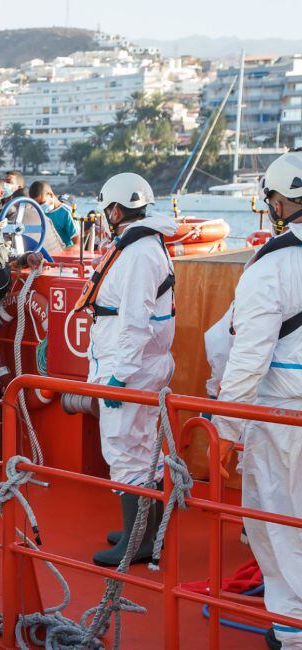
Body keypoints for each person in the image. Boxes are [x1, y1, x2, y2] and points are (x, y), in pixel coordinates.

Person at [211, 151, 302, 650]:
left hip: (282, 418)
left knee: (277, 523)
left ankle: (292, 634)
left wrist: (224, 432)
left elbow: (247, 359)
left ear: (280, 200)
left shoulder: (273, 266)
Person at [80, 172, 178, 567]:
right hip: (141, 362)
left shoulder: (138, 253)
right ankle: (145, 531)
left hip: (132, 367)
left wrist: (119, 376)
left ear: (116, 210)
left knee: (123, 448)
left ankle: (137, 542)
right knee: (140, 447)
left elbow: (136, 319)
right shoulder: (145, 245)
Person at [29, 180, 79, 248]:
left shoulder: (67, 213)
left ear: (51, 195)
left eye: (41, 203)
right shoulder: (38, 213)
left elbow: (78, 245)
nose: (39, 207)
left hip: (63, 254)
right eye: (36, 204)